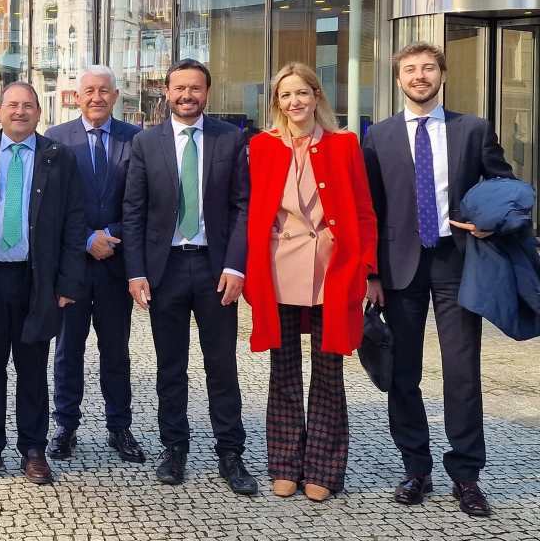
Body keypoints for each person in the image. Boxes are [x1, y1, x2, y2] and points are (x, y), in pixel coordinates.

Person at [363, 42, 513, 517]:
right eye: (410, 69)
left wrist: (495, 220)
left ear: (442, 75)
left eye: (428, 68)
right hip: (400, 265)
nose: (419, 76)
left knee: (462, 372)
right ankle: (416, 468)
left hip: (457, 261)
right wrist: (370, 274)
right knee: (402, 372)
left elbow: (504, 185)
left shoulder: (473, 130)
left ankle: (466, 476)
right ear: (398, 78)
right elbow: (370, 210)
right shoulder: (378, 136)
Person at [121, 59, 255, 495]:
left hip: (216, 269)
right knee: (170, 366)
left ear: (207, 93)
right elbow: (134, 211)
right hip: (166, 269)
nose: (187, 95)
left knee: (222, 365)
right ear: (167, 91)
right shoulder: (146, 143)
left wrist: (236, 266)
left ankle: (230, 453)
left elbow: (242, 207)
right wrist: (136, 271)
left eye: (195, 88)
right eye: (179, 88)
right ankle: (174, 447)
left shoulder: (231, 139)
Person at [243, 62, 376, 502]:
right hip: (277, 269)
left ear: (317, 96)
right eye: (285, 95)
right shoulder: (261, 147)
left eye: (302, 93)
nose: (294, 102)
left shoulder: (344, 144)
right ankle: (283, 462)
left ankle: (322, 466)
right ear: (276, 103)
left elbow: (362, 211)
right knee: (282, 370)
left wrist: (367, 269)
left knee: (328, 368)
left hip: (331, 270)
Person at [0, 81, 85, 486]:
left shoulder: (58, 158)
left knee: (33, 368)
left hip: (37, 280)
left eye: (27, 105)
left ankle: (33, 448)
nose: (19, 112)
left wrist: (67, 283)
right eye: (12, 105)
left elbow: (74, 223)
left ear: (38, 112)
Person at [45, 65, 144, 464]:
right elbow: (51, 205)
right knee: (68, 349)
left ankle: (119, 427)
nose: (97, 97)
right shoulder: (56, 139)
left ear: (115, 96)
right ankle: (65, 425)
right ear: (77, 95)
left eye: (104, 91)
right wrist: (87, 238)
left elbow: (140, 202)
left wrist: (110, 236)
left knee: (116, 350)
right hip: (72, 264)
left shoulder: (135, 140)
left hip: (116, 264)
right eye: (89, 91)